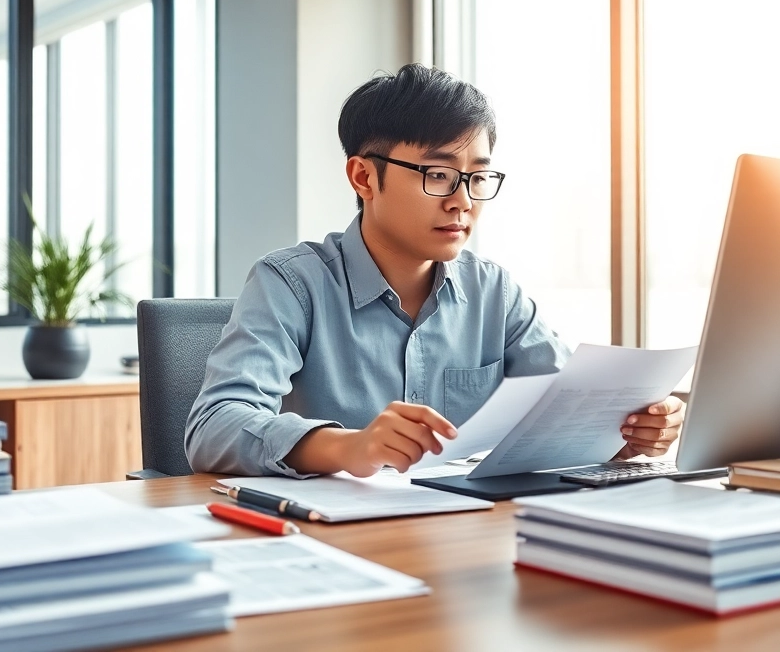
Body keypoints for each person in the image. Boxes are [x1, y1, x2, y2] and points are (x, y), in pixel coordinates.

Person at [183, 64, 684, 478]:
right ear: (364, 177)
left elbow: (565, 409)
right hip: (334, 539)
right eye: (438, 175)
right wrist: (349, 447)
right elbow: (213, 427)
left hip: (469, 534)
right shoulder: (291, 284)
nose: (463, 201)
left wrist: (628, 431)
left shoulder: (493, 291)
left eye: (478, 177)